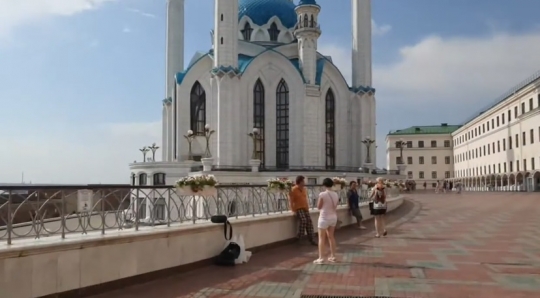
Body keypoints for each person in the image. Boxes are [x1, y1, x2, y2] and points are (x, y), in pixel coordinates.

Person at [313, 178, 339, 264]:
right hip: (333, 217)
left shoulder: (322, 194)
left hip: (324, 218)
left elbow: (319, 207)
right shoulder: (335, 194)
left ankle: (321, 258)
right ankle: (333, 256)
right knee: (331, 237)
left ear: (324, 185)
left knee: (321, 238)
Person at [289, 175, 317, 245]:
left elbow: (305, 199)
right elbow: (291, 201)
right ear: (300, 182)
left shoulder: (304, 189)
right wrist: (293, 210)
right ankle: (299, 237)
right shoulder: (293, 189)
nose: (304, 182)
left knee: (309, 222)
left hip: (305, 208)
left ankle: (312, 239)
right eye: (303, 181)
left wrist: (307, 208)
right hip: (298, 208)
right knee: (303, 220)